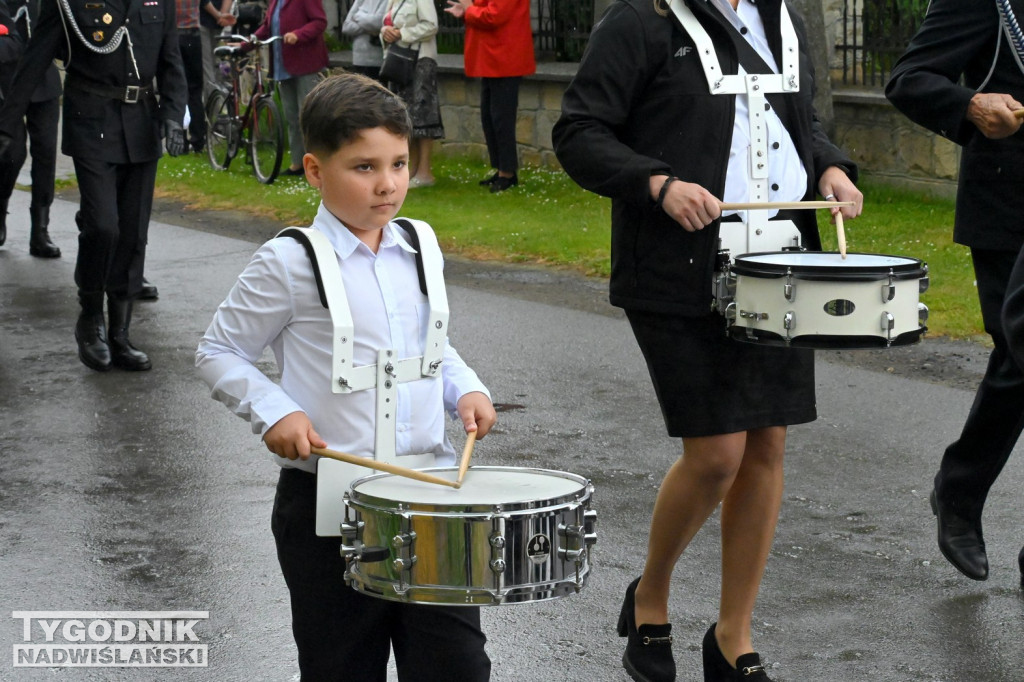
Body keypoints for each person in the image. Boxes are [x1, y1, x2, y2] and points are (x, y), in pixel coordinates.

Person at [552, 0, 862, 679]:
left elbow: (798, 122)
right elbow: (578, 131)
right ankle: (652, 594)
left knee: (767, 444)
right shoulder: (640, 21)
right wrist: (656, 183)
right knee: (718, 453)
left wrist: (832, 167)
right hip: (677, 270)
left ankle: (733, 636)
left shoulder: (783, 19)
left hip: (780, 264)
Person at [195, 73, 496, 680]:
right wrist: (276, 411)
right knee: (342, 666)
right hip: (328, 509)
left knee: (456, 666)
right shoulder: (287, 260)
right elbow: (218, 350)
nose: (388, 185)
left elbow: (427, 344)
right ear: (313, 170)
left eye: (400, 164)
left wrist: (465, 386)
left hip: (430, 495)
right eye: (364, 167)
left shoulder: (421, 243)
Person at [886, 0, 1024, 587]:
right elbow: (908, 80)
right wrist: (969, 103)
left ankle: (959, 489)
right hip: (1011, 210)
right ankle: (960, 492)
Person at [0, 0, 187, 372]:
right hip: (91, 120)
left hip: (142, 123)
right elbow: (35, 60)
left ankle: (119, 331)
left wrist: (173, 116)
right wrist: (6, 125)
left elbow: (171, 61)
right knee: (103, 225)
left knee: (133, 234)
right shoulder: (67, 3)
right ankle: (90, 316)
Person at [444, 0, 534, 193]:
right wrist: (468, 11)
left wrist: (469, 9)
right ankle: (502, 170)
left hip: (505, 58)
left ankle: (507, 174)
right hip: (494, 58)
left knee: (501, 119)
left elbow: (494, 16)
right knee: (490, 117)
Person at [0, 0, 61, 258]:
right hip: (6, 82)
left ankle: (40, 229)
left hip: (43, 78)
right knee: (12, 154)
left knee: (46, 151)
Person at [250, 0, 327, 177]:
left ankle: (318, 165)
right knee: (292, 117)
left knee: (308, 116)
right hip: (283, 67)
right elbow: (268, 27)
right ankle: (298, 163)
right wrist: (248, 42)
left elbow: (319, 22)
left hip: (306, 64)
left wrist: (299, 34)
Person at [382, 0, 443, 187]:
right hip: (399, 61)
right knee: (407, 119)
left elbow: (431, 25)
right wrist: (385, 33)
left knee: (423, 116)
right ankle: (413, 169)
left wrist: (402, 33)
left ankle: (425, 172)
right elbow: (387, 24)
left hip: (420, 62)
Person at [177, 0, 207, 153]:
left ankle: (179, 139)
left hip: (174, 35)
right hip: (193, 35)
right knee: (195, 91)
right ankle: (198, 138)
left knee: (176, 88)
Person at [342, 0, 387, 81]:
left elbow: (379, 22)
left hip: (378, 61)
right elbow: (346, 26)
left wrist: (357, 17)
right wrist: (370, 28)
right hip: (359, 59)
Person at [199, 0, 235, 97]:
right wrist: (220, 15)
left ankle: (213, 104)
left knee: (209, 65)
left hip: (214, 21)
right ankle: (214, 103)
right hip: (210, 21)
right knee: (210, 65)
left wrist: (221, 15)